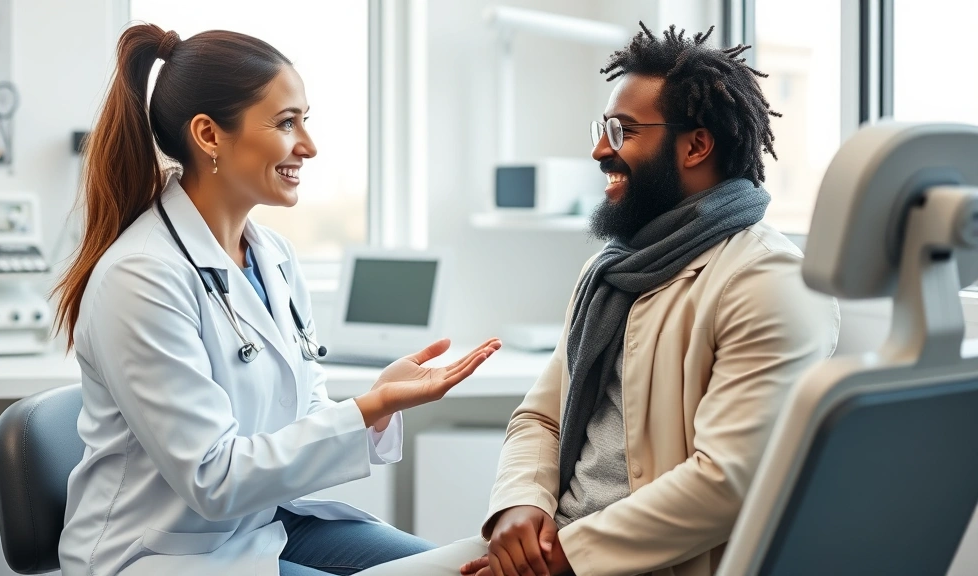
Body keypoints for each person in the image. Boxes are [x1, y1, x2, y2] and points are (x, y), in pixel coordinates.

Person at [359, 23, 840, 576]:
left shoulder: (770, 282)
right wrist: (520, 503)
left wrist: (562, 558)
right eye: (603, 127)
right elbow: (541, 417)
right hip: (552, 546)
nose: (599, 148)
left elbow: (729, 480)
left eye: (623, 130)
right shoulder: (610, 271)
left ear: (696, 146)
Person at [52, 24, 500, 576]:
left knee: (466, 568)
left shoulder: (275, 258)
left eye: (305, 121)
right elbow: (212, 479)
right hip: (165, 550)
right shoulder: (142, 276)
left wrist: (377, 403)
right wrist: (367, 411)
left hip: (265, 524)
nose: (308, 146)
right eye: (288, 123)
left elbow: (302, 416)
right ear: (209, 135)